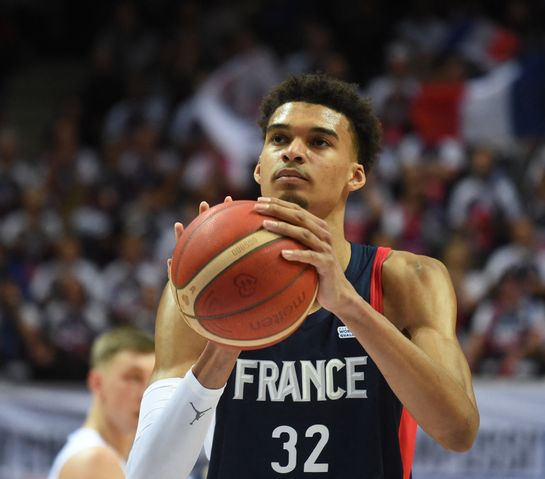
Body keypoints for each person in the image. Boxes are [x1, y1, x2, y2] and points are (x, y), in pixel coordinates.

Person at [127, 73, 479, 479]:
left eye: (319, 142)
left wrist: (349, 305)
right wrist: (223, 342)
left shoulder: (407, 278)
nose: (293, 152)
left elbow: (458, 431)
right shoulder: (195, 297)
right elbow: (147, 475)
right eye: (279, 139)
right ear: (259, 167)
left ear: (356, 175)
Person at [48, 327, 155, 479]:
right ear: (97, 383)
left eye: (152, 380)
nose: (146, 393)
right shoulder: (94, 461)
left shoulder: (110, 457)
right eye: (134, 378)